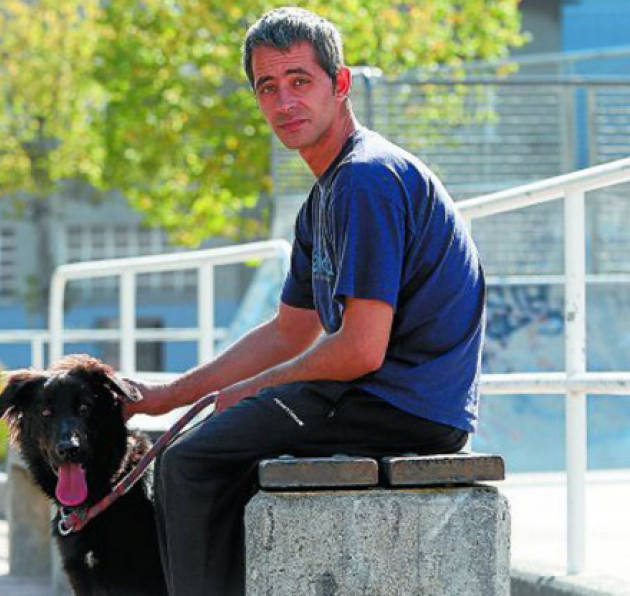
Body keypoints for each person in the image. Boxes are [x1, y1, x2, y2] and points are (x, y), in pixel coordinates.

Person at [124, 6, 486, 596]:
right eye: (268, 87)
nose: (285, 102)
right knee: (214, 453)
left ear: (340, 84)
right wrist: (166, 396)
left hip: (401, 403)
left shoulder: (366, 180)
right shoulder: (324, 199)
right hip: (379, 397)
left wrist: (260, 388)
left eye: (300, 81)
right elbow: (286, 334)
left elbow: (362, 349)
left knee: (188, 465)